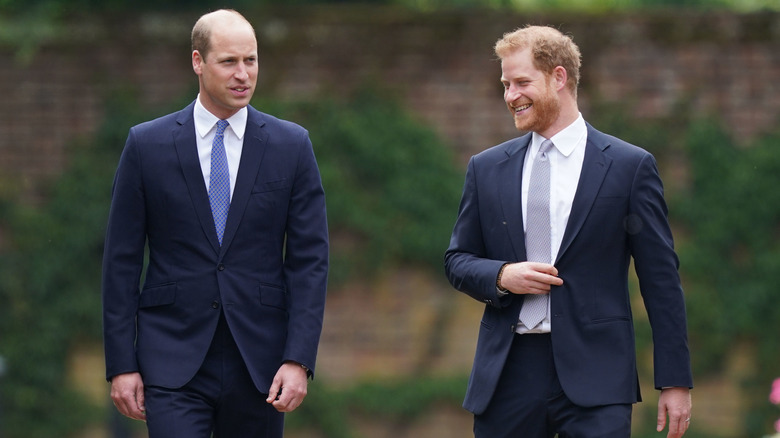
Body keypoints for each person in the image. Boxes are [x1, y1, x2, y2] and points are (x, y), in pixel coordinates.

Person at [444, 25, 692, 438]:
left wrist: (675, 380)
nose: (510, 95)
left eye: (522, 82)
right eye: (505, 84)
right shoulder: (485, 168)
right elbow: (457, 260)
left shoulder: (630, 167)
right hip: (507, 373)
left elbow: (661, 280)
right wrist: (503, 276)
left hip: (599, 377)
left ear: (559, 78)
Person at [102, 9, 329, 438]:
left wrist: (298, 359)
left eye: (252, 60)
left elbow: (309, 261)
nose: (243, 74)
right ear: (197, 62)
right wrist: (122, 364)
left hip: (260, 363)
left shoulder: (291, 146)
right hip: (170, 360)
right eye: (229, 62)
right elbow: (121, 262)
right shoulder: (146, 145)